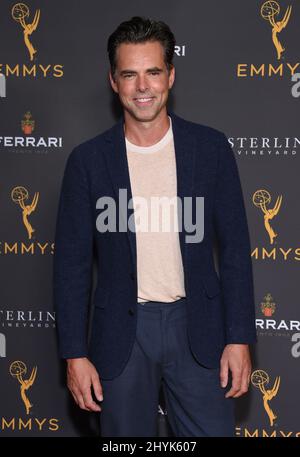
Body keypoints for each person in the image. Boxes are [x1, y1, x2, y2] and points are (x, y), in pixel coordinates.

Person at [53, 16, 257, 437]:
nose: (142, 86)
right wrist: (74, 353)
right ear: (114, 81)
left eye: (153, 72)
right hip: (122, 335)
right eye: (129, 74)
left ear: (171, 76)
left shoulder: (211, 148)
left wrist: (239, 338)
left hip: (197, 329)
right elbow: (71, 265)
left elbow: (236, 249)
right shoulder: (88, 162)